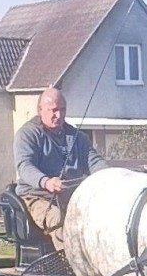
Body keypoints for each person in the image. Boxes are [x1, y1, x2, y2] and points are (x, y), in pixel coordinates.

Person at [14, 88, 108, 250]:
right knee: (57, 219)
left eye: (62, 110)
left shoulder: (77, 137)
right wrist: (46, 182)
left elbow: (94, 161)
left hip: (72, 197)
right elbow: (25, 166)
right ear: (40, 110)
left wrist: (111, 175)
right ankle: (70, 267)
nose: (58, 115)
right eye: (53, 110)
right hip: (37, 197)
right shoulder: (28, 134)